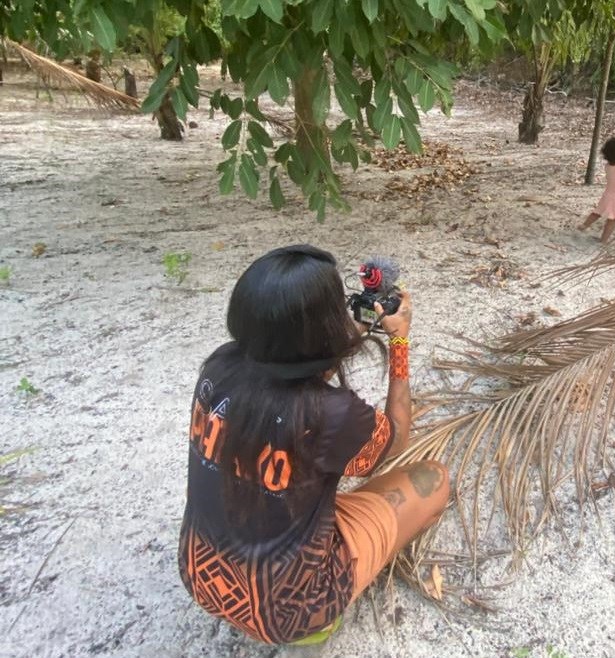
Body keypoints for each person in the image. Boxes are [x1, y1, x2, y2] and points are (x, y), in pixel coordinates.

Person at [178, 245, 450, 645]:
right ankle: (320, 625)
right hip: (291, 612)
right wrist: (400, 343)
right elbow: (396, 436)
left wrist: (352, 332)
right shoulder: (331, 415)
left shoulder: (219, 368)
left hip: (200, 575)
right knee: (435, 479)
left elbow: (289, 362)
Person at [578, 137, 615, 243]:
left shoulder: (608, 166)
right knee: (613, 220)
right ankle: (604, 239)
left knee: (597, 212)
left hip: (608, 195)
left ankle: (584, 225)